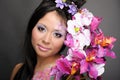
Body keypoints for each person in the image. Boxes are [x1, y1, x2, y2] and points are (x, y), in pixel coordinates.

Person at [10, 0, 86, 80]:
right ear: (32, 26)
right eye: (41, 29)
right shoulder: (18, 70)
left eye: (57, 34)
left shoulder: (70, 76)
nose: (46, 40)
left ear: (67, 38)